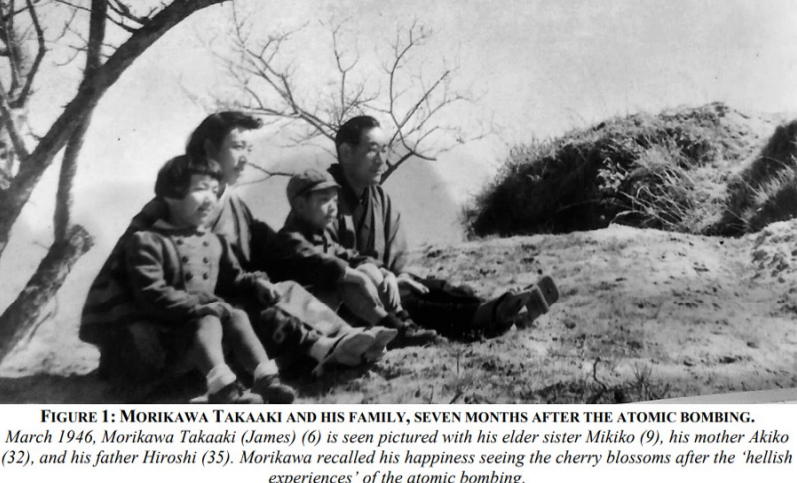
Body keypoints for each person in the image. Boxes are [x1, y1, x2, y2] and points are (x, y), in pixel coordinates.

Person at [80, 112, 387, 384]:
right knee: (252, 308)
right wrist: (131, 320)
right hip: (165, 330)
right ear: (210, 149)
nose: (245, 158)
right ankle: (330, 349)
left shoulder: (234, 206)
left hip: (215, 315)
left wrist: (347, 269)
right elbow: (119, 274)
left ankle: (346, 340)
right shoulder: (167, 209)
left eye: (249, 149)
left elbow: (281, 248)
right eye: (237, 147)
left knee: (282, 289)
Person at [327, 115, 559, 339]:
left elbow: (395, 257)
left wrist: (397, 276)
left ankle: (504, 310)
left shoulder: (378, 198)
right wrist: (383, 278)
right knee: (415, 305)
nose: (381, 160)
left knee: (435, 289)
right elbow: (322, 261)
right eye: (371, 150)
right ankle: (495, 315)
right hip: (350, 300)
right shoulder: (321, 199)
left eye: (384, 149)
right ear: (346, 153)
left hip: (386, 284)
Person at [124, 155, 295, 404]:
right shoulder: (147, 241)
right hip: (167, 335)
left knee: (237, 315)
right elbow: (152, 292)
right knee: (210, 317)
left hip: (206, 334)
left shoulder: (213, 240)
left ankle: (266, 379)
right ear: (171, 194)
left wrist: (256, 281)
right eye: (201, 189)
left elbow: (235, 276)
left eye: (215, 191)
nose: (210, 199)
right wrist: (199, 306)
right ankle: (222, 388)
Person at [268, 168, 437, 348]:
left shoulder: (321, 237)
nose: (333, 207)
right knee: (346, 280)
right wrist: (359, 277)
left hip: (321, 315)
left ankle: (404, 324)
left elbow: (352, 256)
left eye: (335, 200)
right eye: (324, 200)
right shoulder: (289, 238)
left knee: (366, 268)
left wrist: (385, 273)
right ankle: (394, 330)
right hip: (294, 323)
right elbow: (321, 262)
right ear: (300, 205)